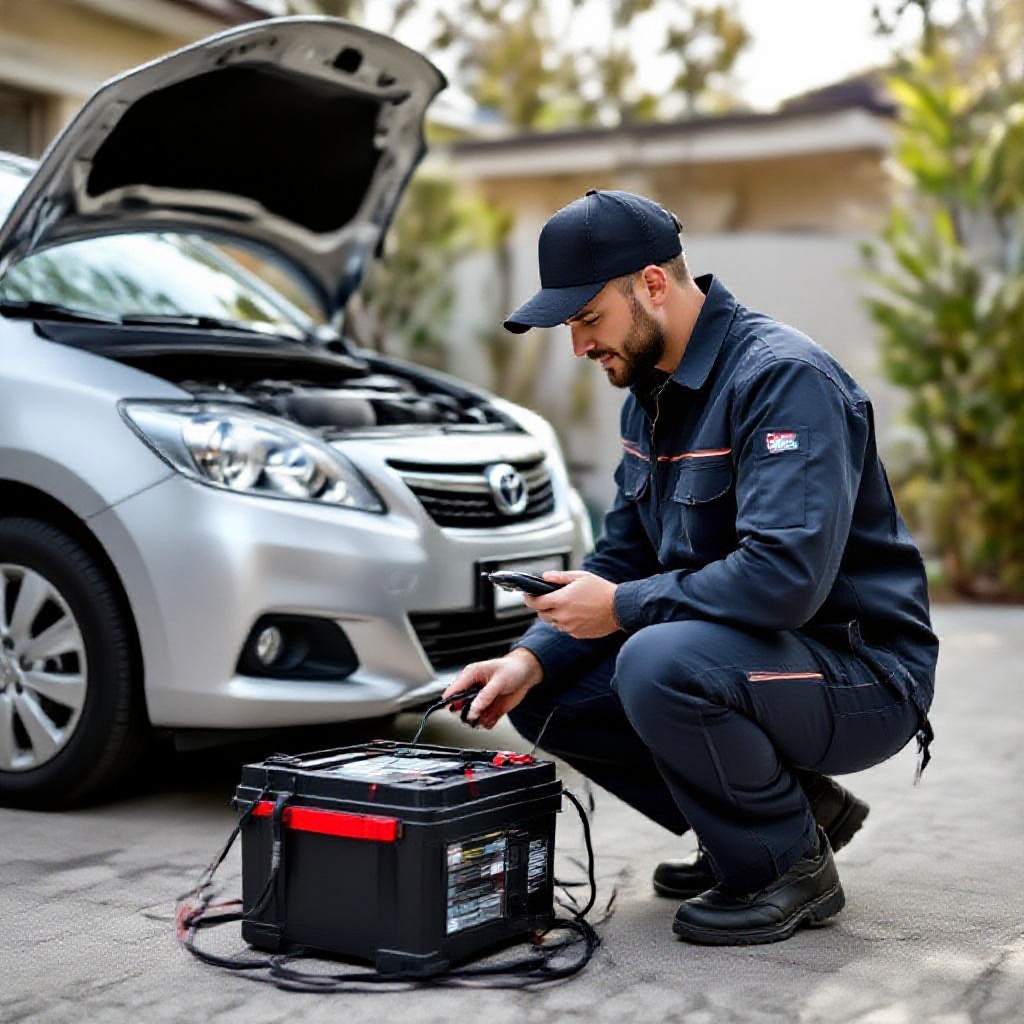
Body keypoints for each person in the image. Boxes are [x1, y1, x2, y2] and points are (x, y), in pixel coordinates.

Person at [442, 189, 938, 946]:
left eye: (586, 319)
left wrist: (622, 607)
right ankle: (782, 815)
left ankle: (785, 866)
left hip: (860, 671)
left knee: (657, 657)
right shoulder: (649, 397)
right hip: (755, 662)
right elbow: (625, 553)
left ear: (651, 285)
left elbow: (785, 579)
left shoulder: (782, 379)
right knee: (550, 690)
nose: (578, 347)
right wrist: (527, 657)